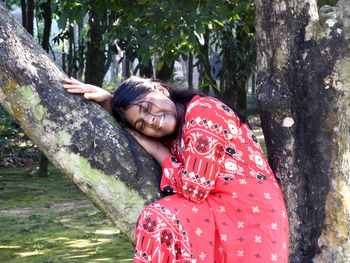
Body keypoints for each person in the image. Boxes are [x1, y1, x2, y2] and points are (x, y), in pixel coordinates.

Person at [63, 76, 289, 263]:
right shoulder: (177, 132)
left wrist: (157, 150)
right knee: (159, 220)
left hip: (250, 217)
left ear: (161, 89)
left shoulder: (203, 111)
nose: (150, 121)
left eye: (148, 107)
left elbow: (195, 188)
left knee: (158, 219)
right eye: (141, 125)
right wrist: (110, 102)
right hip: (221, 211)